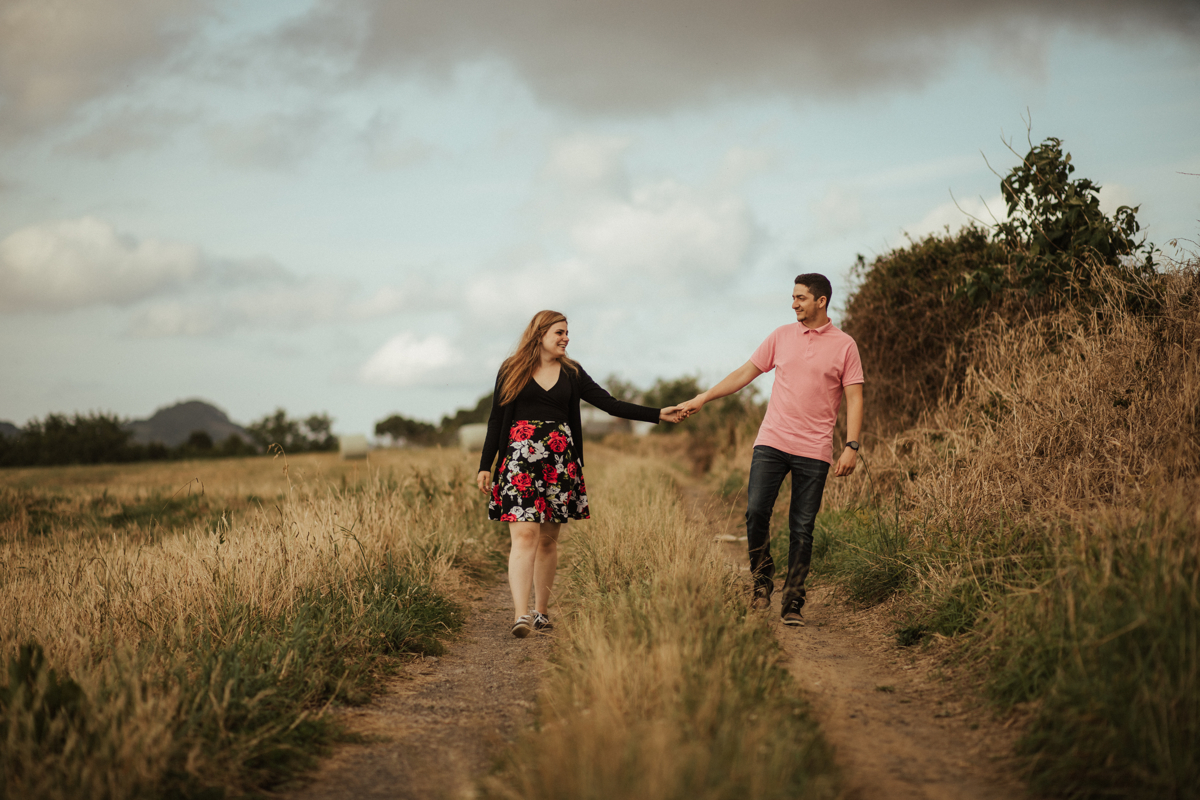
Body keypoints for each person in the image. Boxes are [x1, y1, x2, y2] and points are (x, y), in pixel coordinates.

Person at [477, 310, 685, 638]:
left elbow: (610, 404)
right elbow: (495, 420)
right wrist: (486, 464)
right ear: (540, 333)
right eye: (559, 332)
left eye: (567, 333)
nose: (566, 338)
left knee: (547, 540)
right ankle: (521, 615)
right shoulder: (511, 369)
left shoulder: (572, 372)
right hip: (519, 463)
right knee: (525, 536)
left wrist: (657, 414)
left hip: (559, 464)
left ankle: (541, 611)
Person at [678, 274, 863, 627]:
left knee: (802, 528)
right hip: (773, 441)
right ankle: (762, 582)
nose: (793, 303)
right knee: (755, 512)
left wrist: (851, 445)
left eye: (801, 297)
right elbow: (744, 374)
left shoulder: (845, 346)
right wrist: (704, 397)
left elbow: (855, 397)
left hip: (815, 448)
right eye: (793, 297)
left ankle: (793, 600)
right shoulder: (780, 336)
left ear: (821, 301)